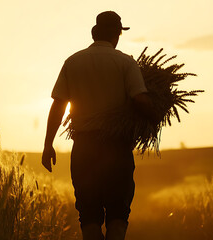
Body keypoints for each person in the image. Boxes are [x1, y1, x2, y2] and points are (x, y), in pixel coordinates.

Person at [41, 11, 156, 240]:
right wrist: (155, 115)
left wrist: (48, 145)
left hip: (84, 149)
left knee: (89, 218)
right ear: (116, 34)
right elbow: (140, 99)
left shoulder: (72, 62)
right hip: (116, 149)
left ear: (95, 33)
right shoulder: (126, 62)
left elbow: (58, 106)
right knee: (117, 216)